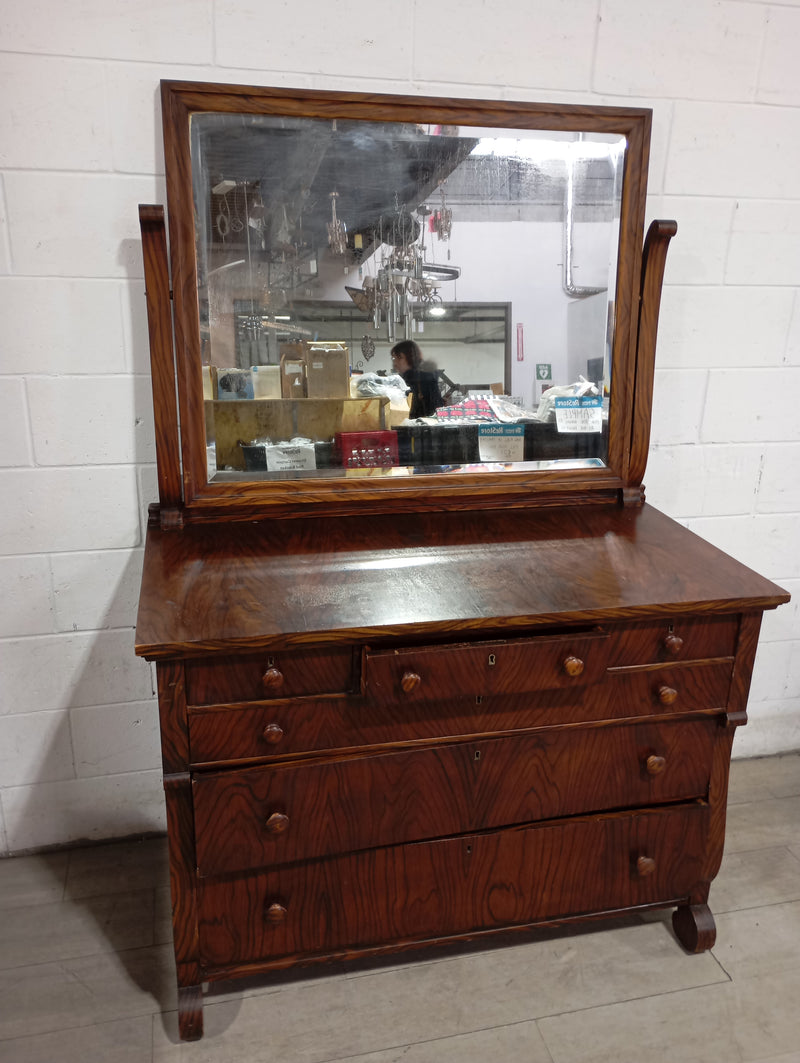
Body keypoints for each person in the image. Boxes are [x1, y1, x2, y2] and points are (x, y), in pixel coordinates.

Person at [390, 340, 444, 418]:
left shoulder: (417, 380)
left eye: (394, 358)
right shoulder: (425, 377)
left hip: (422, 426)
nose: (394, 364)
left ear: (402, 357)